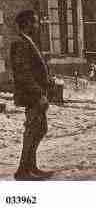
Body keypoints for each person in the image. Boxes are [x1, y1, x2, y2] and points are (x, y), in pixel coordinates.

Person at [10, 10, 54, 180]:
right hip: (32, 96)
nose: (38, 25)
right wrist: (38, 93)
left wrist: (47, 81)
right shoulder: (20, 42)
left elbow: (34, 70)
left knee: (40, 129)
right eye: (35, 22)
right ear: (27, 23)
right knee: (33, 131)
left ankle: (31, 167)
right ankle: (22, 171)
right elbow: (23, 74)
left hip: (36, 94)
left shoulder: (27, 41)